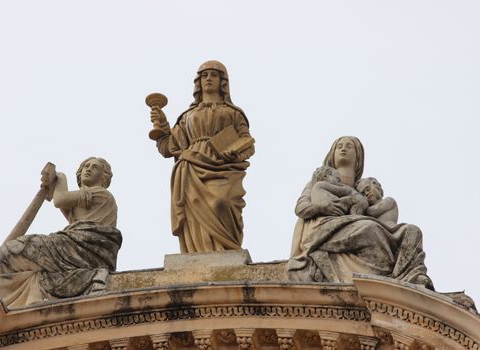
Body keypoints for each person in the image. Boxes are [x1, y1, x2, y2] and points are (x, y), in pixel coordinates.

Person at [287, 136, 433, 289]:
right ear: (332, 153)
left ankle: (407, 277)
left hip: (357, 227)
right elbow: (301, 208)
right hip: (324, 229)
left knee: (412, 231)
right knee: (371, 228)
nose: (343, 149)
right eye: (339, 146)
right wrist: (322, 208)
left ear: (358, 158)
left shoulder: (364, 187)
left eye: (349, 146)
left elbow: (378, 212)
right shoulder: (316, 182)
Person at [0, 157, 122, 307]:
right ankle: (1, 300)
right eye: (86, 166)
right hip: (77, 245)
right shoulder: (84, 198)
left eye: (94, 167)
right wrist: (53, 187)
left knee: (6, 254)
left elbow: (60, 200)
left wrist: (60, 177)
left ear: (103, 176)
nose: (88, 169)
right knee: (4, 257)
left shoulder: (101, 194)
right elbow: (68, 212)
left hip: (83, 247)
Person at [150, 60, 255, 253]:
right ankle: (196, 253)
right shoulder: (187, 115)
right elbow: (169, 147)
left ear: (223, 81)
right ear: (198, 82)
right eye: (204, 75)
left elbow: (247, 141)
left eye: (214, 75)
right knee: (193, 214)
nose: (208, 79)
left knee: (222, 202)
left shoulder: (233, 113)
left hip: (224, 166)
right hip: (191, 167)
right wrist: (162, 127)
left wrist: (234, 152)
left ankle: (225, 248)